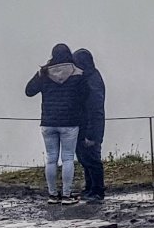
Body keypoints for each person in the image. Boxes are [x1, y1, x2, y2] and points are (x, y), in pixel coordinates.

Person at [25, 44, 89, 204]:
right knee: (67, 158)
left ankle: (53, 195)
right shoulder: (78, 73)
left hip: (48, 121)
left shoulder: (44, 73)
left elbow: (29, 91)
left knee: (51, 158)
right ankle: (67, 195)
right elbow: (85, 96)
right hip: (70, 121)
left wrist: (40, 77)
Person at [73, 48, 107, 203]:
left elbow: (96, 109)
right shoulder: (90, 77)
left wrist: (92, 135)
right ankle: (90, 188)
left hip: (90, 127)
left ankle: (97, 190)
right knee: (86, 158)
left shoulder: (92, 80)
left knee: (92, 159)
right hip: (86, 126)